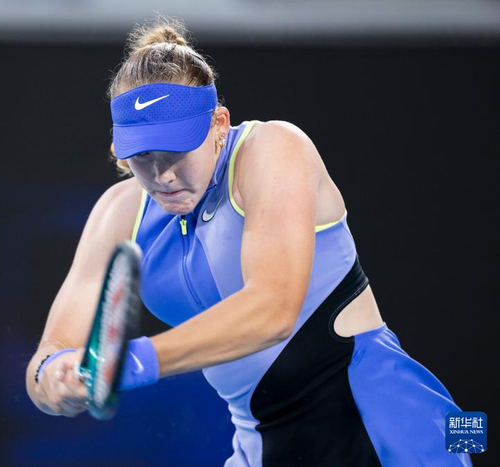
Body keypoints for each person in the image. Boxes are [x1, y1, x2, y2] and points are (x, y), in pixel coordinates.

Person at [25, 18, 472, 467]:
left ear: (219, 124)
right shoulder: (117, 213)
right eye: (142, 156)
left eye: (177, 150)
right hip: (262, 444)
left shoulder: (274, 147)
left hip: (386, 423)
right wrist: (53, 378)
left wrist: (131, 361)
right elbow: (50, 352)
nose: (162, 174)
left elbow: (273, 310)